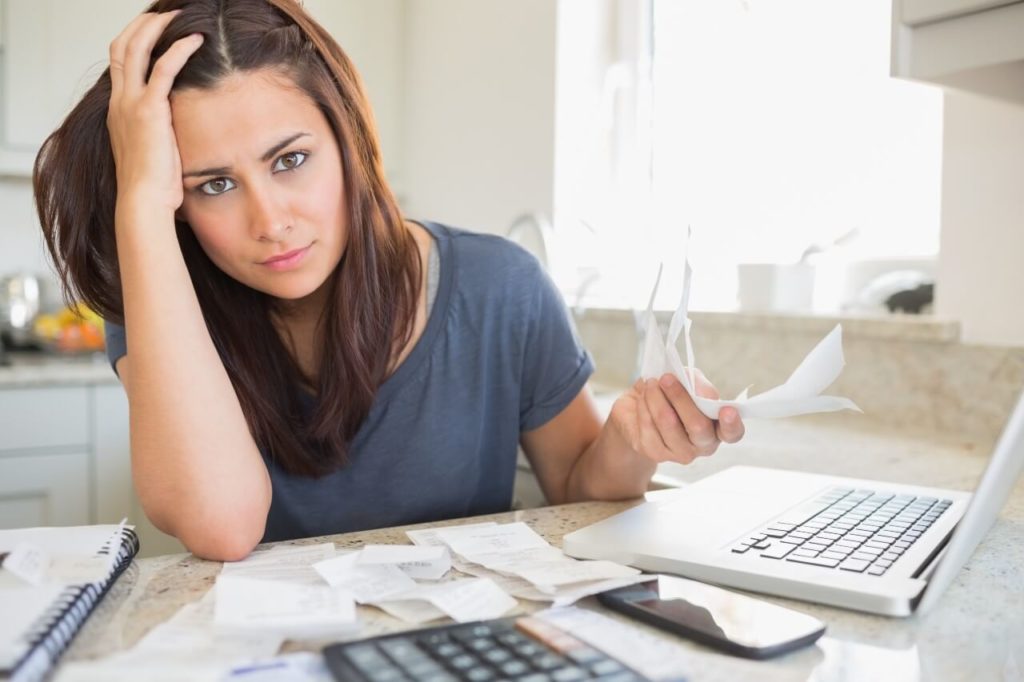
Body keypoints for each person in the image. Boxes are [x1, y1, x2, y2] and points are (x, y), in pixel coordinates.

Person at [34, 0, 745, 562]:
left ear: (348, 140)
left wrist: (629, 442)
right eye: (214, 184)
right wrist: (138, 203)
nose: (271, 220)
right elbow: (222, 526)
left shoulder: (501, 289)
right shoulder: (164, 305)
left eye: (290, 161)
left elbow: (578, 492)